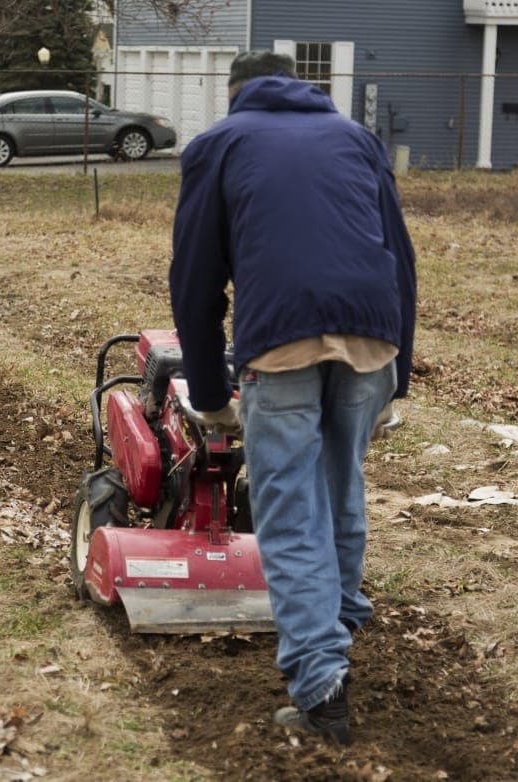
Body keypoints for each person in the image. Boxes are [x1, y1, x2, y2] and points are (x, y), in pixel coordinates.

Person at [168, 50, 417, 745]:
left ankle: (321, 684)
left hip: (280, 339)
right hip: (373, 333)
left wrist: (211, 392)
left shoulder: (220, 144)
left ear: (235, 94)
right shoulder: (355, 139)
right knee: (340, 483)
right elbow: (402, 257)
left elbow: (194, 282)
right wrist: (399, 372)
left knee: (286, 508)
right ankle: (335, 621)